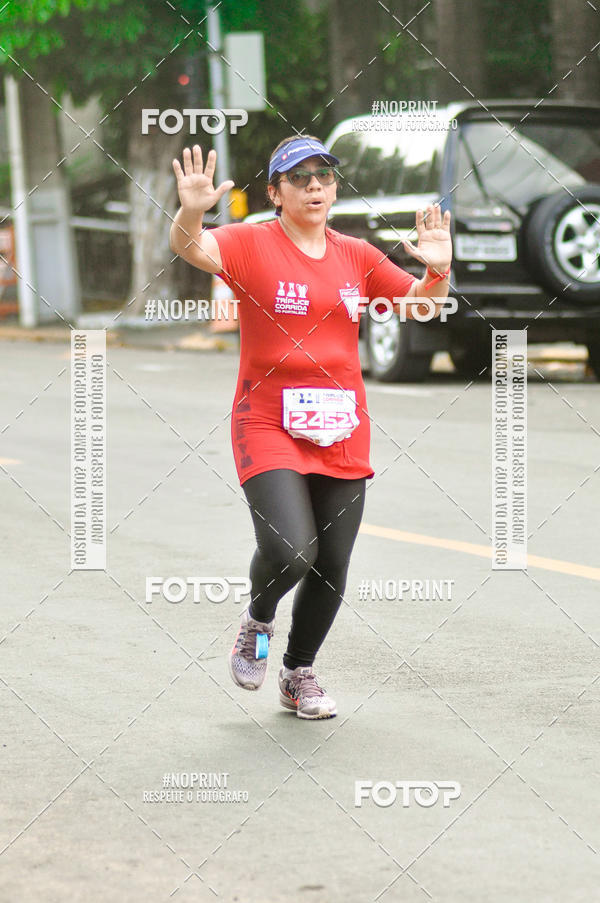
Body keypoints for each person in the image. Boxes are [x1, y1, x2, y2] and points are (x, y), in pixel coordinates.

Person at [170, 136, 452, 720]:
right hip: (267, 420)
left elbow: (423, 306)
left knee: (333, 561)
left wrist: (438, 268)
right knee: (292, 550)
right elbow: (191, 246)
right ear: (275, 192)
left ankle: (299, 675)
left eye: (324, 175)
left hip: (342, 426)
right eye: (299, 178)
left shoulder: (357, 254)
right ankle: (259, 621)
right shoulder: (251, 244)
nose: (315, 186)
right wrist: (193, 207)